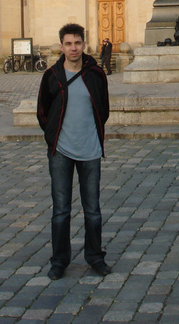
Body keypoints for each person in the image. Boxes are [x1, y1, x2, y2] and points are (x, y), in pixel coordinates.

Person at [37, 23, 111, 281]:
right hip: (61, 151)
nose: (73, 48)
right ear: (61, 46)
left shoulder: (96, 74)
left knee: (92, 209)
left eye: (77, 43)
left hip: (90, 150)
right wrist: (54, 137)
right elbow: (43, 112)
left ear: (83, 44)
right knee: (61, 210)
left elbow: (103, 109)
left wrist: (90, 132)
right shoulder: (52, 76)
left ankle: (95, 257)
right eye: (68, 44)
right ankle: (59, 260)